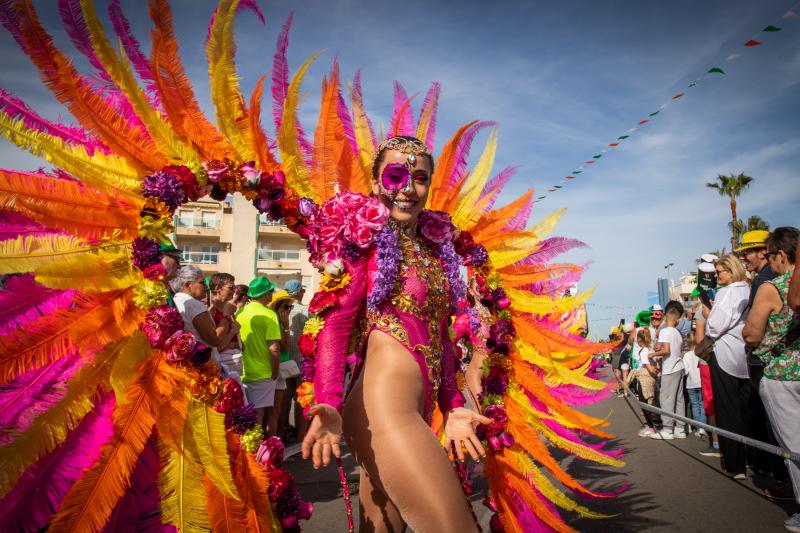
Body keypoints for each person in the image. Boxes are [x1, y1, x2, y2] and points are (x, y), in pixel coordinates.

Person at [300, 137, 492, 532]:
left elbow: (441, 340)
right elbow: (334, 326)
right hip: (380, 410)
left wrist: (453, 404)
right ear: (376, 183)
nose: (407, 188)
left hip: (417, 410)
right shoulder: (363, 242)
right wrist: (328, 402)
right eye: (396, 175)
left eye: (419, 178)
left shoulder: (434, 250)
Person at [743, 226, 800, 531]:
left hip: (782, 375)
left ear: (780, 254)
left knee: (794, 445)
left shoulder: (774, 287)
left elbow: (751, 334)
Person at [703, 254, 767, 479]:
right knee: (751, 409)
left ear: (730, 272)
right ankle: (759, 460)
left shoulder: (726, 292)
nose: (717, 276)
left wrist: (707, 315)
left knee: (728, 410)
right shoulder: (749, 289)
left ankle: (735, 464)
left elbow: (714, 327)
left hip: (726, 355)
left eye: (719, 272)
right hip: (746, 356)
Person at [236, 276, 283, 434]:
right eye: (270, 291)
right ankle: (255, 455)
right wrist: (275, 371)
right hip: (263, 373)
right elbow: (274, 348)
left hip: (241, 371)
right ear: (264, 295)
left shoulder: (240, 312)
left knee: (245, 415)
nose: (272, 294)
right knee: (258, 416)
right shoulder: (269, 315)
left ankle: (248, 453)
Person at [170, 265, 239, 353]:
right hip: (203, 360)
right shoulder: (193, 304)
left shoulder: (176, 300)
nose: (206, 286)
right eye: (202, 282)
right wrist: (226, 315)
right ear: (188, 285)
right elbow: (215, 340)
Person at [649, 303, 686, 439]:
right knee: (679, 399)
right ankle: (680, 428)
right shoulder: (678, 333)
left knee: (666, 399)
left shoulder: (665, 331)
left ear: (665, 315)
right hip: (679, 366)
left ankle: (668, 429)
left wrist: (652, 354)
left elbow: (666, 350)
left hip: (670, 368)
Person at [283, 279, 309, 441]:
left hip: (285, 358)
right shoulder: (305, 311)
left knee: (285, 398)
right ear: (298, 292)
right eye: (302, 291)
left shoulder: (280, 310)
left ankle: (283, 430)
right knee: (302, 398)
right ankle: (301, 435)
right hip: (301, 360)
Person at [269, 289, 296, 438]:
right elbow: (285, 346)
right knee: (277, 407)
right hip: (277, 367)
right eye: (286, 307)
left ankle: (280, 434)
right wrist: (286, 326)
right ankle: (277, 438)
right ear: (277, 307)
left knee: (281, 405)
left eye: (290, 307)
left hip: (281, 366)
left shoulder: (277, 321)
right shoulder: (277, 323)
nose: (288, 310)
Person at [208, 272, 243, 381]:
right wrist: (232, 333)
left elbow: (241, 344)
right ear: (218, 288)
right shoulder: (210, 313)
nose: (234, 291)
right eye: (231, 287)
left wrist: (235, 343)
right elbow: (216, 347)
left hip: (234, 368)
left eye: (235, 288)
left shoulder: (228, 310)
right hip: (221, 368)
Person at [627, 328, 659, 437]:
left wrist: (654, 374)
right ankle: (651, 425)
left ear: (640, 341)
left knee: (644, 402)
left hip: (644, 378)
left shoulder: (644, 351)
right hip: (649, 378)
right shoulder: (651, 349)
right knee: (648, 401)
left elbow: (649, 367)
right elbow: (655, 364)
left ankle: (651, 427)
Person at [682, 334, 706, 436]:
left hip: (691, 384)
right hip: (702, 382)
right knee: (702, 405)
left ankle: (698, 427)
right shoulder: (701, 353)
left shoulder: (686, 355)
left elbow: (686, 371)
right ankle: (703, 428)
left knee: (695, 405)